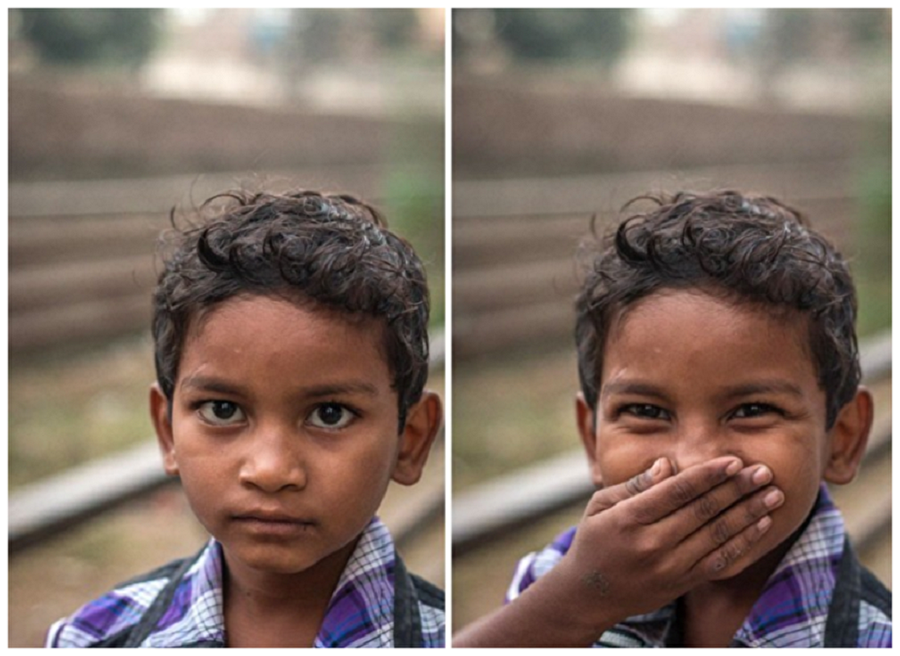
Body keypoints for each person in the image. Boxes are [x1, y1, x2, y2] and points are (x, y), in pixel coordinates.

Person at [454, 190, 890, 648]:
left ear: (843, 438)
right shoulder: (555, 584)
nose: (695, 460)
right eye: (645, 411)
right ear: (591, 438)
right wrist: (576, 603)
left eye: (753, 410)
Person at [47, 189, 444, 648]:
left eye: (329, 415)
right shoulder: (93, 639)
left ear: (410, 440)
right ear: (167, 430)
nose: (271, 471)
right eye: (223, 410)